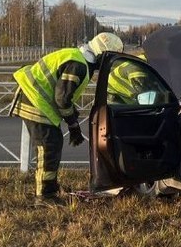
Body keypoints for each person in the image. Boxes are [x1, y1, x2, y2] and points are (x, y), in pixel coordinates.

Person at [10, 32, 124, 206]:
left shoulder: (77, 58)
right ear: (102, 55)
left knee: (51, 145)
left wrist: (73, 116)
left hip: (35, 98)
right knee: (48, 147)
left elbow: (64, 96)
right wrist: (73, 124)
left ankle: (50, 187)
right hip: (36, 101)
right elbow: (62, 98)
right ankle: (45, 196)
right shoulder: (78, 65)